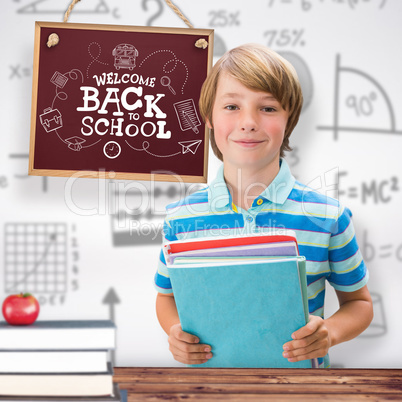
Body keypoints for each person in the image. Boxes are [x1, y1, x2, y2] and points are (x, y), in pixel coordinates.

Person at [154, 43, 373, 368]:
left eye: (268, 108)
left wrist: (330, 332)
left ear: (290, 120)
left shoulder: (328, 216)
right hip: (210, 389)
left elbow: (359, 303)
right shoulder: (180, 219)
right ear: (209, 118)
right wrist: (175, 331)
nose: (248, 122)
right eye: (231, 107)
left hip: (299, 391)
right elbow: (166, 297)